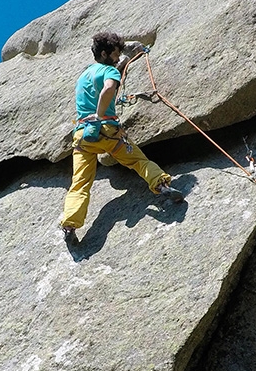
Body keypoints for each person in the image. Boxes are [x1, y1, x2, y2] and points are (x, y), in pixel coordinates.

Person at [60, 32, 183, 244]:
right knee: (137, 160)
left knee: (79, 183)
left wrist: (126, 58)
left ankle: (70, 224)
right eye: (115, 54)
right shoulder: (109, 71)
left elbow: (115, 68)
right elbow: (108, 87)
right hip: (107, 131)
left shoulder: (83, 76)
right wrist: (100, 115)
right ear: (105, 53)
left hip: (83, 136)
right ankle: (162, 185)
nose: (117, 58)